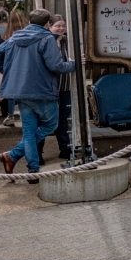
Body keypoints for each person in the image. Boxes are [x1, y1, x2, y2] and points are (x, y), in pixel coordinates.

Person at [0, 8, 76, 184]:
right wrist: (73, 65)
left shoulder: (14, 37)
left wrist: (10, 72)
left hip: (21, 92)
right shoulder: (47, 39)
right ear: (47, 24)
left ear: (29, 22)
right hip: (43, 91)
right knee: (51, 124)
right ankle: (13, 156)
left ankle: (32, 170)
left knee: (29, 132)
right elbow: (56, 66)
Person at [48, 15, 73, 159]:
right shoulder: (46, 41)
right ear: (50, 26)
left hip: (65, 86)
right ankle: (38, 152)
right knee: (46, 121)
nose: (61, 28)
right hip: (49, 88)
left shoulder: (67, 41)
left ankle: (64, 148)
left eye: (63, 25)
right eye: (57, 26)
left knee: (63, 120)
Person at [1, 9, 28, 127]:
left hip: (13, 65)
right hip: (26, 64)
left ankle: (11, 115)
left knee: (13, 91)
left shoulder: (8, 33)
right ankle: (24, 115)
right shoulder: (28, 31)